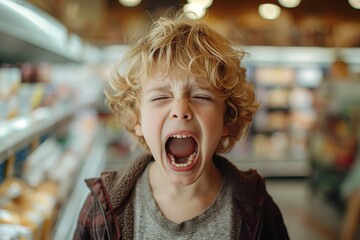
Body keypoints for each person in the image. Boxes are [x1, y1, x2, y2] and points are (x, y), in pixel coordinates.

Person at [73, 11, 289, 240]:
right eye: (159, 98)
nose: (180, 110)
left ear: (227, 117)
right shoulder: (101, 208)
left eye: (202, 97)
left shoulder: (257, 210)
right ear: (137, 119)